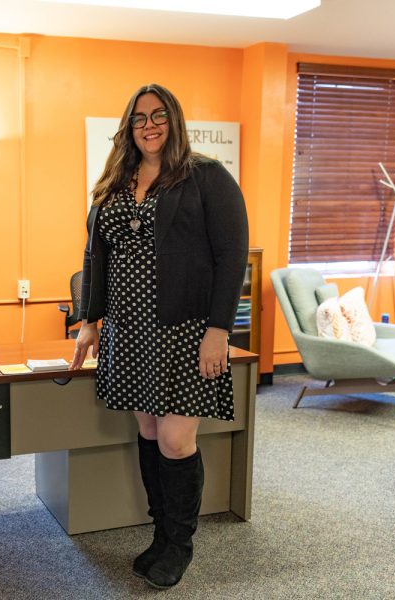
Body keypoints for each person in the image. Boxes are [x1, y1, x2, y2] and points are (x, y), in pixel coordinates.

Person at [69, 83, 248, 590]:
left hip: (184, 329)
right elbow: (94, 257)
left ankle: (181, 543)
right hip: (128, 330)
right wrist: (89, 321)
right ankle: (161, 535)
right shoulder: (116, 182)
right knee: (148, 433)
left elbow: (231, 257)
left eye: (159, 116)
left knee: (175, 439)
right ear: (128, 126)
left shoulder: (205, 177)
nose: (149, 125)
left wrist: (219, 331)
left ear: (175, 121)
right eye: (140, 117)